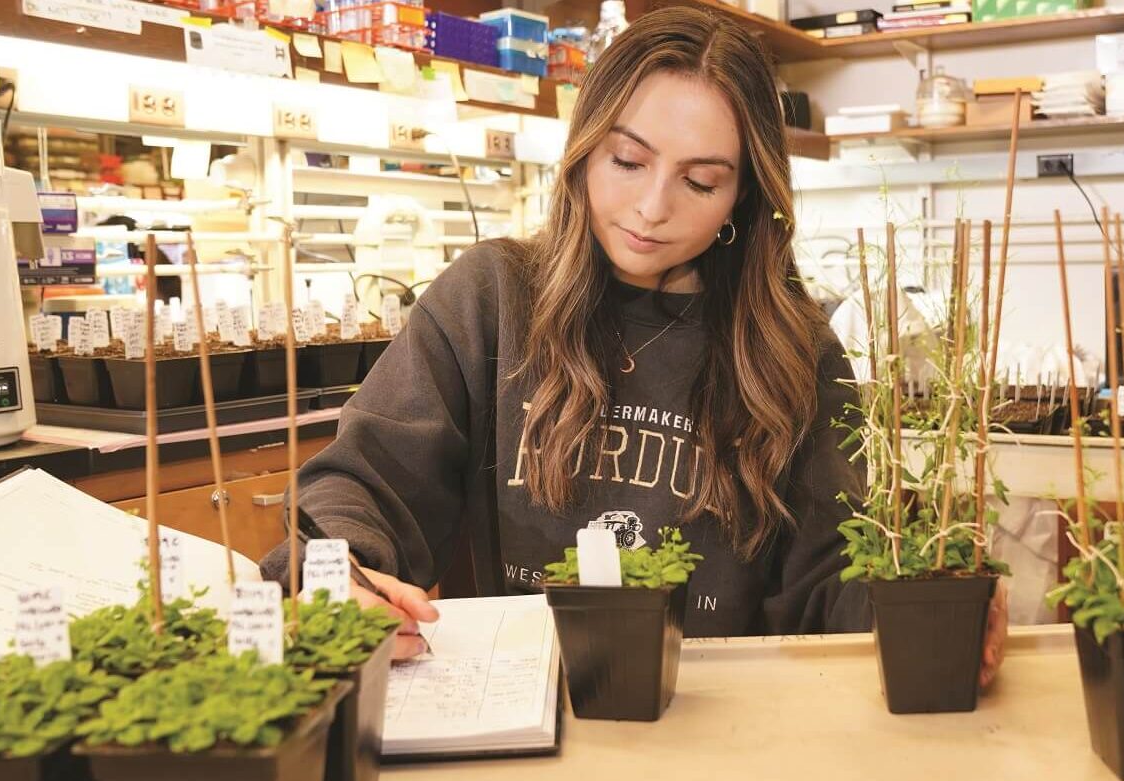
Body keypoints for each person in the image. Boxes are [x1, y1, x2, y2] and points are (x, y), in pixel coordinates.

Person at [262, 6, 1006, 684]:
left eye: (701, 181)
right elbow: (361, 483)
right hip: (525, 707)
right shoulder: (489, 298)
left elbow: (827, 581)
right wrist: (337, 573)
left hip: (723, 725)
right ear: (585, 150)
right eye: (627, 162)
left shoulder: (794, 348)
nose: (652, 208)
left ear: (742, 195)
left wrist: (931, 603)